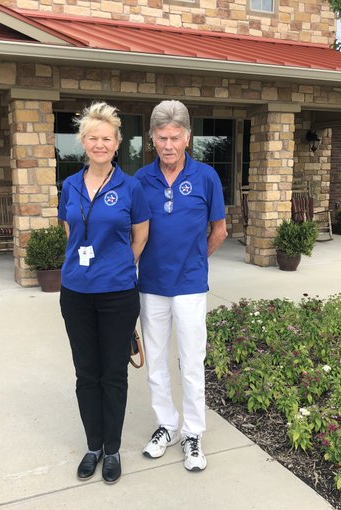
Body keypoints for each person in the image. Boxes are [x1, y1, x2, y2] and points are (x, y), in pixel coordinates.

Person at [58, 102, 150, 484]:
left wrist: (117, 265)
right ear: (83, 142)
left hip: (117, 293)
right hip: (76, 292)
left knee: (113, 374)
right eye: (93, 138)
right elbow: (70, 230)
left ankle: (112, 449)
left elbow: (140, 235)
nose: (100, 144)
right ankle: (93, 445)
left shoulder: (131, 187)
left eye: (107, 138)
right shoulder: (70, 186)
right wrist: (87, 265)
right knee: (86, 373)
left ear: (117, 143)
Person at [134, 100, 227, 472]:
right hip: (151, 286)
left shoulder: (206, 177)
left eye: (175, 137)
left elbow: (219, 230)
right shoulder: (140, 180)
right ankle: (166, 426)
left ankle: (193, 433)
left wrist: (197, 258)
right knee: (156, 362)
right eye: (162, 138)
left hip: (189, 286)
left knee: (191, 363)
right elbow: (133, 233)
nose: (168, 145)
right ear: (152, 139)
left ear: (188, 138)